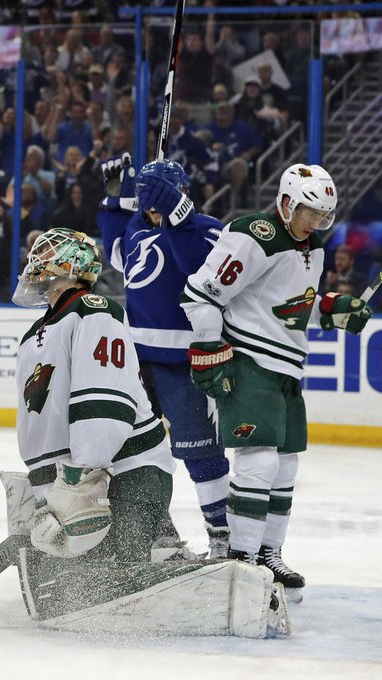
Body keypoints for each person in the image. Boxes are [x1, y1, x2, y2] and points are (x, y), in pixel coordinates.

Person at [180, 163, 372, 603]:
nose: (316, 223)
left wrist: (334, 309)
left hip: (287, 369)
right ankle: (241, 562)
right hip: (249, 361)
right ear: (285, 203)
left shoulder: (314, 246)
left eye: (324, 216)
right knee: (259, 462)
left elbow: (294, 305)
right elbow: (200, 294)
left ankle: (269, 554)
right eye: (309, 213)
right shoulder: (254, 235)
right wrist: (208, 348)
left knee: (285, 466)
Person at [12, 227, 175, 564]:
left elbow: (105, 400)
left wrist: (82, 474)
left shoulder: (94, 310)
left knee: (120, 572)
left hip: (130, 469)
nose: (35, 259)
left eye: (45, 252)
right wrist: (44, 488)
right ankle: (162, 545)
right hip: (77, 475)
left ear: (70, 262)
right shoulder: (34, 335)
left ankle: (161, 545)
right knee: (70, 586)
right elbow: (38, 421)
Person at [98, 154, 231, 558]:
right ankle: (160, 531)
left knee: (200, 450)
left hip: (186, 364)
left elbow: (198, 267)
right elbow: (117, 250)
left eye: (160, 196)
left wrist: (179, 215)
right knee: (136, 449)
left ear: (184, 194)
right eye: (146, 197)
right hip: (136, 364)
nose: (151, 205)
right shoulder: (138, 228)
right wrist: (113, 200)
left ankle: (223, 536)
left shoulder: (210, 230)